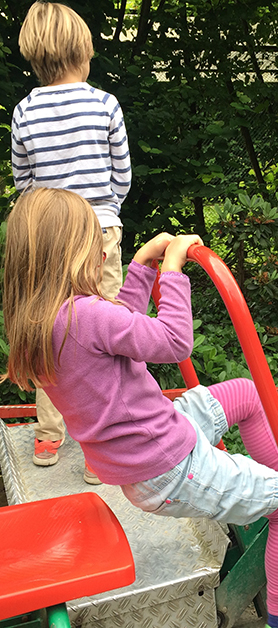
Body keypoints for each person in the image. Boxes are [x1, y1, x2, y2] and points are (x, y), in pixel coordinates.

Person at [1, 188, 278, 628]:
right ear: (69, 253)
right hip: (168, 464)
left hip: (154, 443)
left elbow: (121, 338)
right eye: (93, 238)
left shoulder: (43, 320)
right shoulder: (87, 315)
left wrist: (139, 267)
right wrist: (170, 272)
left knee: (246, 395)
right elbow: (174, 342)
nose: (102, 246)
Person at [11, 1, 132, 481]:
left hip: (46, 236)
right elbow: (120, 174)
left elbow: (25, 183)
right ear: (83, 53)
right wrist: (105, 212)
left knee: (50, 331)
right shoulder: (104, 104)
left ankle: (48, 434)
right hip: (98, 229)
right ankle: (99, 449)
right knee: (105, 333)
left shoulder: (24, 109)